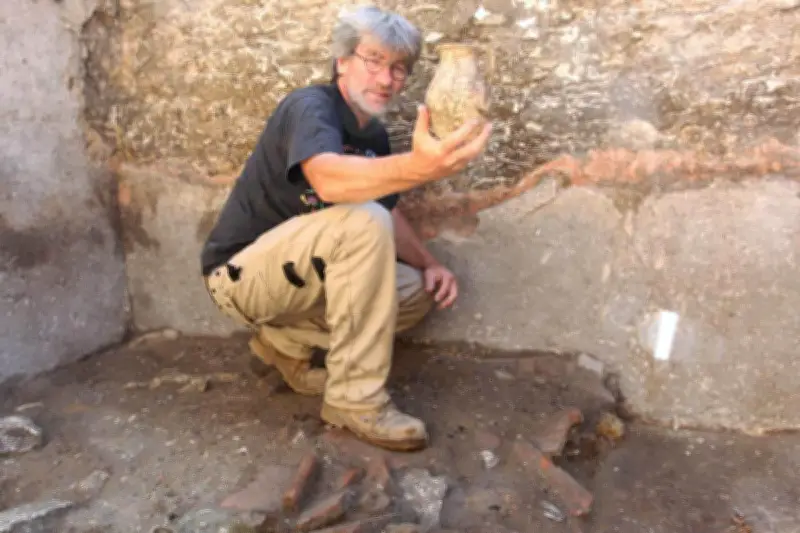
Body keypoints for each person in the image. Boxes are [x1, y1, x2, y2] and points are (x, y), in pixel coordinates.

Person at [200, 5, 492, 451]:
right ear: (342, 60)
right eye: (373, 60)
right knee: (363, 219)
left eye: (399, 69)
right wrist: (416, 167)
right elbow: (329, 178)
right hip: (239, 277)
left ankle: (284, 344)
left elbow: (387, 214)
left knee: (414, 291)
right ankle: (355, 400)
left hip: (298, 278)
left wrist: (432, 263)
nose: (386, 78)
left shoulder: (372, 136)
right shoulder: (310, 107)